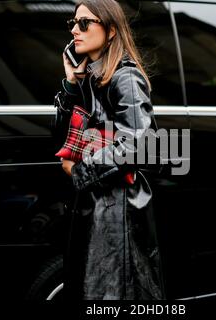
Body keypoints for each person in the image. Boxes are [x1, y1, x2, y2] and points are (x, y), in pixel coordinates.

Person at [56, 0, 166, 300]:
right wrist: (70, 83)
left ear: (112, 30)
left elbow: (137, 142)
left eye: (84, 23)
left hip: (117, 212)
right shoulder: (91, 78)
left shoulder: (125, 77)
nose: (75, 31)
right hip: (96, 206)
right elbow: (62, 135)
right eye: (73, 24)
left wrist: (81, 170)